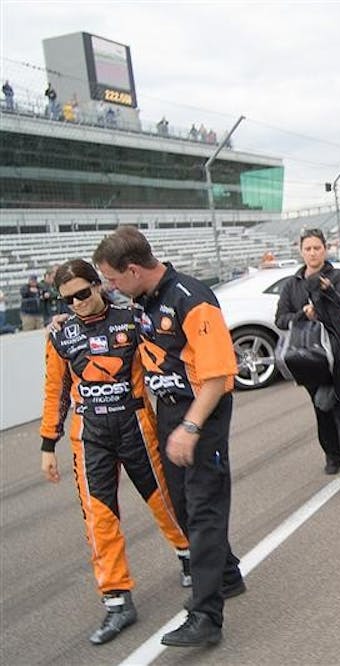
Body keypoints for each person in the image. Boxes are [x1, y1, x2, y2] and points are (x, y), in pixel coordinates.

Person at [93, 227, 245, 648]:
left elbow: (217, 377)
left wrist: (191, 428)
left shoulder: (191, 299)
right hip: (170, 410)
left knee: (203, 508)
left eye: (113, 278)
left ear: (135, 269)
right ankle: (226, 574)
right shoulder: (141, 297)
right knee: (182, 504)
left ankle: (206, 616)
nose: (110, 287)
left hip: (201, 410)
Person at [39, 259, 192, 645]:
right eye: (67, 299)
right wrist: (47, 444)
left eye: (82, 294)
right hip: (89, 436)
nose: (76, 303)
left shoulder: (132, 318)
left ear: (98, 285)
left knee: (163, 500)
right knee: (99, 518)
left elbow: (167, 357)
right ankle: (117, 600)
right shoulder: (61, 334)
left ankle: (189, 554)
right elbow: (55, 391)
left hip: (136, 426)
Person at [275, 228, 340, 485]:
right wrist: (301, 314)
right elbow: (281, 320)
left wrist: (327, 291)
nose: (312, 253)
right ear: (301, 251)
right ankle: (332, 454)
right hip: (309, 357)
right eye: (307, 248)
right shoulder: (291, 284)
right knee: (322, 405)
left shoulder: (339, 277)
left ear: (325, 249)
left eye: (317, 248)